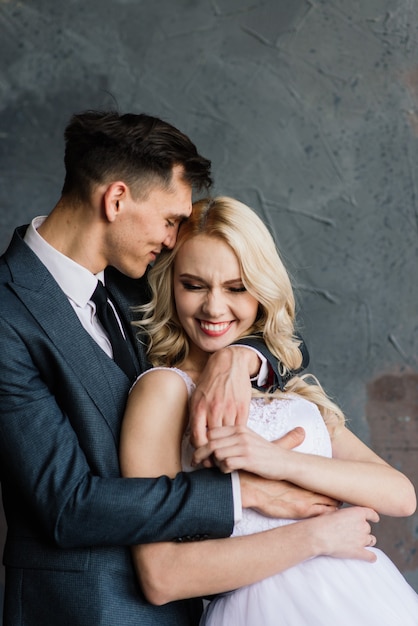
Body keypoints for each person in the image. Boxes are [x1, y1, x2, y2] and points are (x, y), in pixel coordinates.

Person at [0, 110, 343, 626]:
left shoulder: (133, 283)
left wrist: (238, 358)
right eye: (170, 220)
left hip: (193, 606)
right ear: (116, 200)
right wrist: (244, 492)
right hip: (83, 609)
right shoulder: (7, 313)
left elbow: (282, 338)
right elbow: (67, 505)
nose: (173, 238)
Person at [120, 195, 418, 625]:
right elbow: (162, 576)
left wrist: (274, 459)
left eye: (237, 288)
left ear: (262, 291)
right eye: (194, 285)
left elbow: (400, 495)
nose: (214, 308)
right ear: (169, 285)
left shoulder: (284, 383)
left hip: (367, 599)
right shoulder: (163, 391)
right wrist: (315, 536)